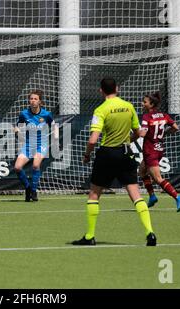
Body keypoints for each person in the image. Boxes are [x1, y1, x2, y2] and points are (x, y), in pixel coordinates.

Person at [72, 78, 157, 246]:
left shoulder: (101, 109)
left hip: (107, 154)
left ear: (101, 90)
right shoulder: (129, 106)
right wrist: (127, 140)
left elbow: (93, 140)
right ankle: (150, 233)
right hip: (126, 153)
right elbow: (139, 132)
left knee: (94, 195)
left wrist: (87, 155)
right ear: (117, 89)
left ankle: (89, 236)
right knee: (135, 195)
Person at [139, 92, 180, 212]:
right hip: (159, 149)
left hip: (150, 151)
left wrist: (134, 132)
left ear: (151, 104)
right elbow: (176, 127)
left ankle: (177, 196)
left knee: (158, 179)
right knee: (142, 171)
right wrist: (164, 133)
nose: (142, 104)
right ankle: (152, 196)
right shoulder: (164, 115)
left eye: (145, 102)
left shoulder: (146, 117)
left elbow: (142, 134)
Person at [14, 90, 56, 202]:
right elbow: (17, 125)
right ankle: (28, 187)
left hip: (41, 144)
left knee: (35, 165)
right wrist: (17, 131)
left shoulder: (46, 114)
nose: (32, 101)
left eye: (35, 99)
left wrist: (55, 137)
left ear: (40, 102)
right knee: (17, 167)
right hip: (28, 145)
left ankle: (33, 190)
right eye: (31, 98)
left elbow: (54, 125)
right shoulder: (24, 114)